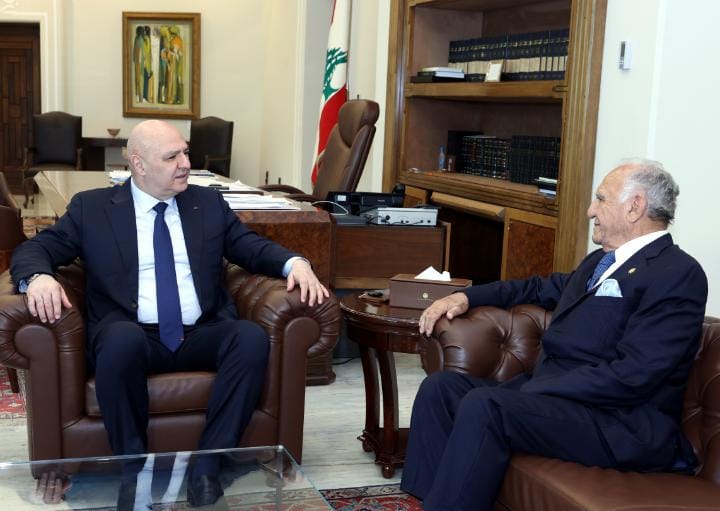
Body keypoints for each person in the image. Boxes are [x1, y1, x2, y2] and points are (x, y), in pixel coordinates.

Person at [10, 119, 329, 508]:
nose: (185, 164)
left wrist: (294, 263)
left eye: (186, 153)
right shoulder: (92, 208)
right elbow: (35, 249)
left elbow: (249, 246)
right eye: (172, 156)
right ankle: (134, 469)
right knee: (120, 341)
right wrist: (38, 277)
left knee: (249, 338)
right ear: (139, 164)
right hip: (131, 333)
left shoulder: (206, 203)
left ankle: (208, 465)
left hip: (200, 332)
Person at [400, 158, 708, 511]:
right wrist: (466, 296)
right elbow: (537, 287)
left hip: (617, 421)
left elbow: (634, 375)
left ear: (635, 206)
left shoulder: (678, 273)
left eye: (601, 199)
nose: (591, 211)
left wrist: (542, 387)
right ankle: (426, 501)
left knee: (486, 406)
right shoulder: (599, 263)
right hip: (559, 400)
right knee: (440, 389)